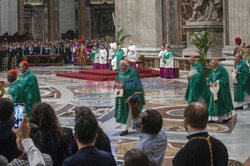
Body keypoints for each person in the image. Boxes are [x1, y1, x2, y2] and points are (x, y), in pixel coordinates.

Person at [126, 97, 167, 166]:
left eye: (140, 117)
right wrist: (134, 106)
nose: (138, 117)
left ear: (142, 127)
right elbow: (136, 120)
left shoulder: (140, 149)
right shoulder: (161, 134)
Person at [115, 60, 145, 136]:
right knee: (125, 113)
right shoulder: (120, 73)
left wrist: (124, 87)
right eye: (120, 65)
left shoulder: (132, 74)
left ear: (126, 66)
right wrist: (117, 87)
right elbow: (117, 83)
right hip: (122, 96)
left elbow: (134, 85)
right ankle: (125, 129)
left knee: (133, 113)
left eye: (122, 65)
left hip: (130, 97)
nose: (120, 67)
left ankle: (138, 126)